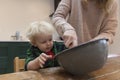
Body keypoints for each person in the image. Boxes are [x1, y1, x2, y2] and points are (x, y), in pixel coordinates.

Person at [52, 0, 118, 48]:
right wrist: (67, 29)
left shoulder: (112, 3)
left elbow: (109, 32)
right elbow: (57, 16)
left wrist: (94, 44)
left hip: (95, 54)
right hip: (71, 52)